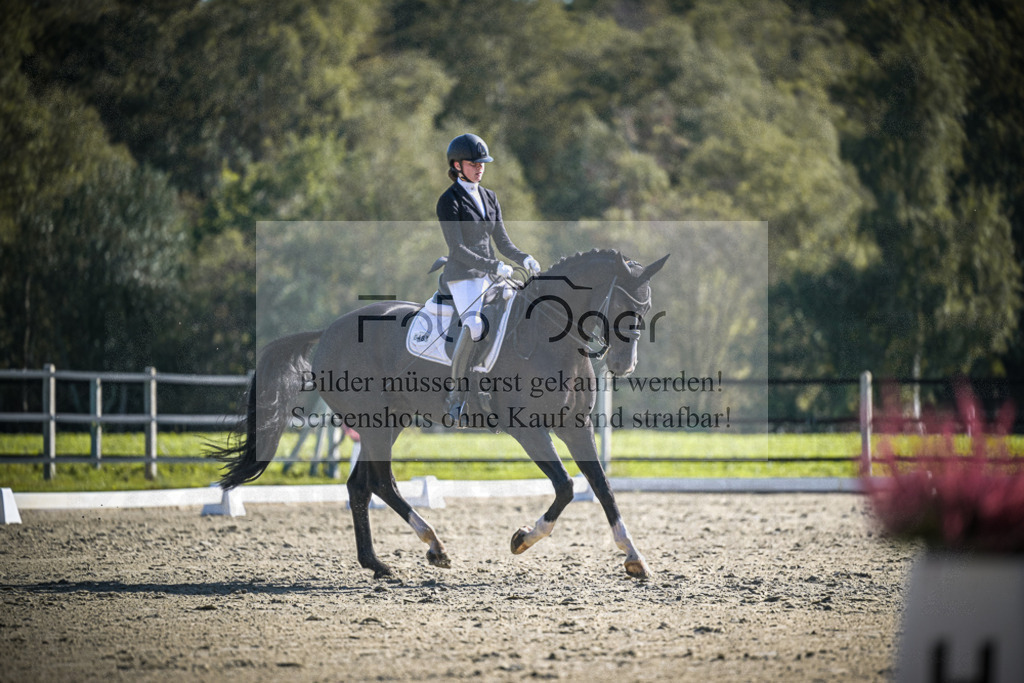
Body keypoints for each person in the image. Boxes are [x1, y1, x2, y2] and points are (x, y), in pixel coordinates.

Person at [436, 133, 541, 422]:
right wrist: (493, 266)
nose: (480, 168)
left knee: (519, 311)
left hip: (490, 275)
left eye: (482, 163)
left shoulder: (489, 197)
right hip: (463, 276)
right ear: (457, 165)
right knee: (475, 326)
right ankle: (456, 395)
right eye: (473, 163)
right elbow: (457, 249)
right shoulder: (449, 201)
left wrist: (523, 258)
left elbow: (503, 243)